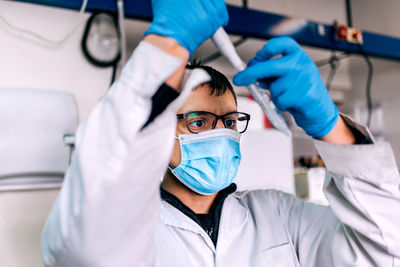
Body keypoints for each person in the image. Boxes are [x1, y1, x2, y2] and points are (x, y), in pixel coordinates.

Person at [41, 0, 400, 266]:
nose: (222, 135)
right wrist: (165, 46)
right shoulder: (131, 226)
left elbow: (387, 249)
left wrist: (331, 126)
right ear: (161, 134)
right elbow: (79, 251)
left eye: (229, 122)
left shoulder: (277, 213)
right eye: (199, 122)